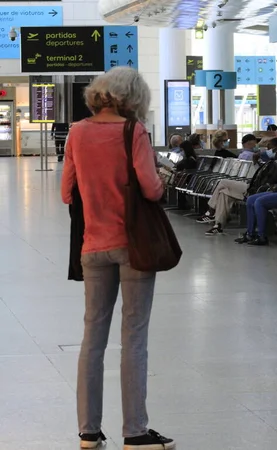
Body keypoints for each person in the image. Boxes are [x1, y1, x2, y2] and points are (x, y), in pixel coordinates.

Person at [60, 67, 175, 449]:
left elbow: (67, 192)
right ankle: (135, 432)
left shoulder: (77, 132)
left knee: (92, 337)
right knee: (133, 338)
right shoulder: (133, 131)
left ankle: (88, 432)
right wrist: (158, 177)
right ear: (134, 98)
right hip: (134, 245)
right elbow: (151, 188)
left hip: (92, 245)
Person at [201, 136, 277, 235]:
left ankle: (211, 210)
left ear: (275, 149)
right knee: (224, 193)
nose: (266, 150)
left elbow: (270, 180)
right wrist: (257, 159)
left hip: (255, 190)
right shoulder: (270, 160)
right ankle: (218, 225)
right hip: (252, 186)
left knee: (223, 183)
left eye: (268, 148)